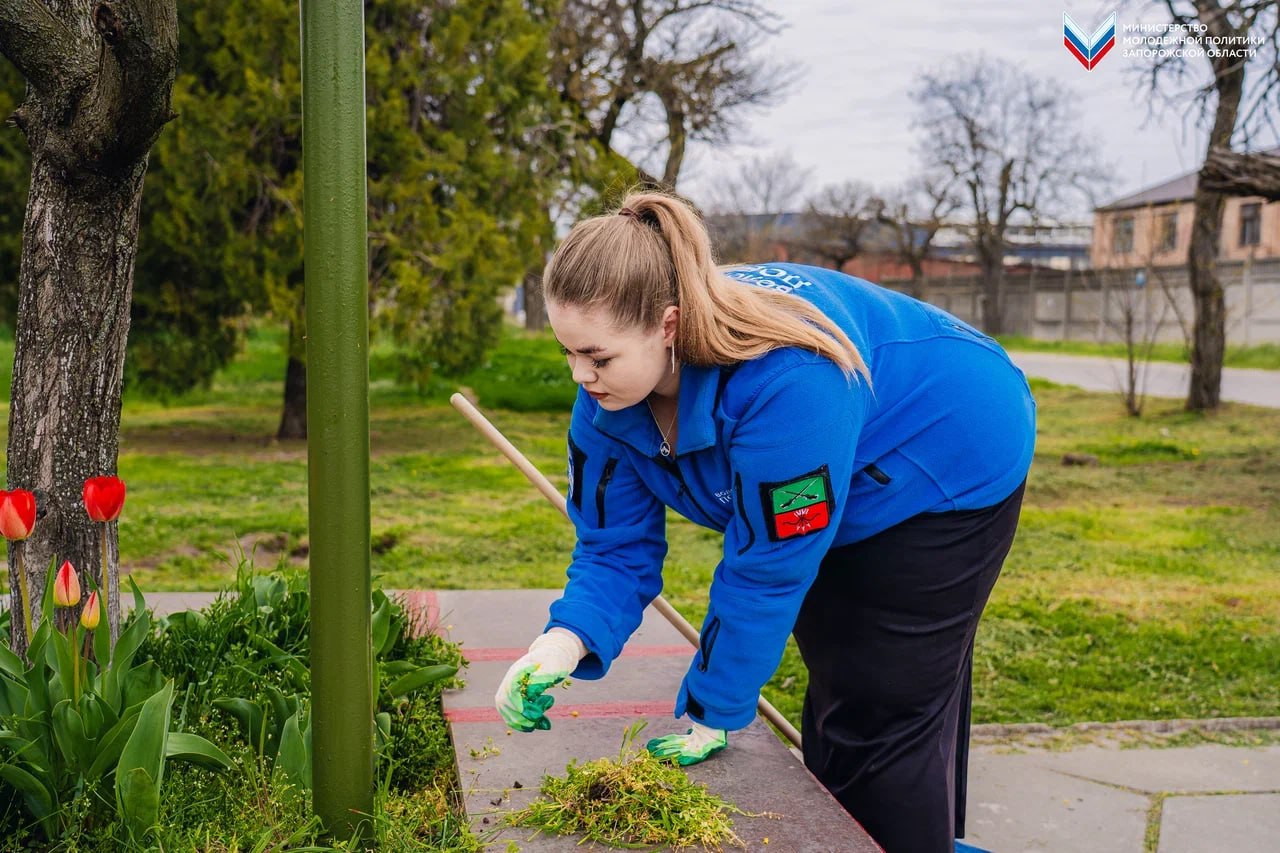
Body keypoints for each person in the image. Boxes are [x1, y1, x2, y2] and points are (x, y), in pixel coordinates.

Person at [493, 190, 1036, 852]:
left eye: (598, 357)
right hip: (843, 462)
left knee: (880, 705)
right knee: (846, 682)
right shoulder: (606, 407)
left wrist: (713, 704)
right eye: (569, 353)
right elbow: (612, 549)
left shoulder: (786, 380)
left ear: (667, 326)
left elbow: (767, 567)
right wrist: (564, 639)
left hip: (946, 452)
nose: (581, 377)